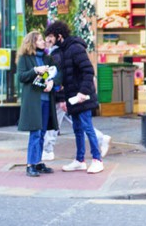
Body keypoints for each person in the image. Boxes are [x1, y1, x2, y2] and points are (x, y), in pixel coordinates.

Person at [44, 20, 105, 173]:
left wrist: (83, 93)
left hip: (82, 96)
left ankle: (97, 159)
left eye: (51, 36)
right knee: (77, 128)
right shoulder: (62, 51)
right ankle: (80, 160)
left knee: (87, 127)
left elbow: (88, 71)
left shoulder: (75, 48)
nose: (49, 40)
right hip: (72, 97)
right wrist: (64, 98)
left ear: (59, 36)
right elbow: (65, 77)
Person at [16, 31, 59, 177]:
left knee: (42, 133)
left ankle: (38, 162)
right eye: (40, 40)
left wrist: (51, 82)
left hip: (46, 99)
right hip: (34, 100)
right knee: (35, 132)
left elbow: (55, 74)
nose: (43, 41)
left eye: (42, 39)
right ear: (32, 42)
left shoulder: (47, 58)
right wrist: (35, 70)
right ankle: (30, 164)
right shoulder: (25, 58)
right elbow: (21, 76)